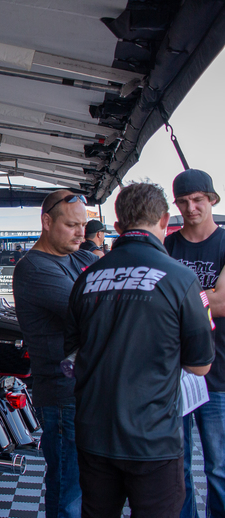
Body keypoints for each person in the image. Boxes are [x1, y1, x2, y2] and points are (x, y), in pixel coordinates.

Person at [65, 182, 214, 517]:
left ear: (118, 227)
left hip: (94, 434)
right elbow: (201, 365)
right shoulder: (182, 278)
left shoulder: (85, 278)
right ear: (164, 220)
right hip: (153, 440)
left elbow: (72, 352)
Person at [12, 190, 99, 518]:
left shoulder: (82, 258)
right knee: (68, 491)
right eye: (72, 225)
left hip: (87, 390)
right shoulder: (33, 267)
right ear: (46, 222)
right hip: (62, 395)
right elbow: (94, 312)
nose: (81, 233)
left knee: (88, 486)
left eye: (84, 225)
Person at [164, 169, 225, 518]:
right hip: (175, 373)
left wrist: (178, 298)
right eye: (183, 202)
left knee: (219, 468)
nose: (190, 208)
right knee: (178, 467)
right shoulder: (169, 245)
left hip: (219, 372)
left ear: (212, 200)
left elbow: (223, 303)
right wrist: (205, 295)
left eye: (197, 200)